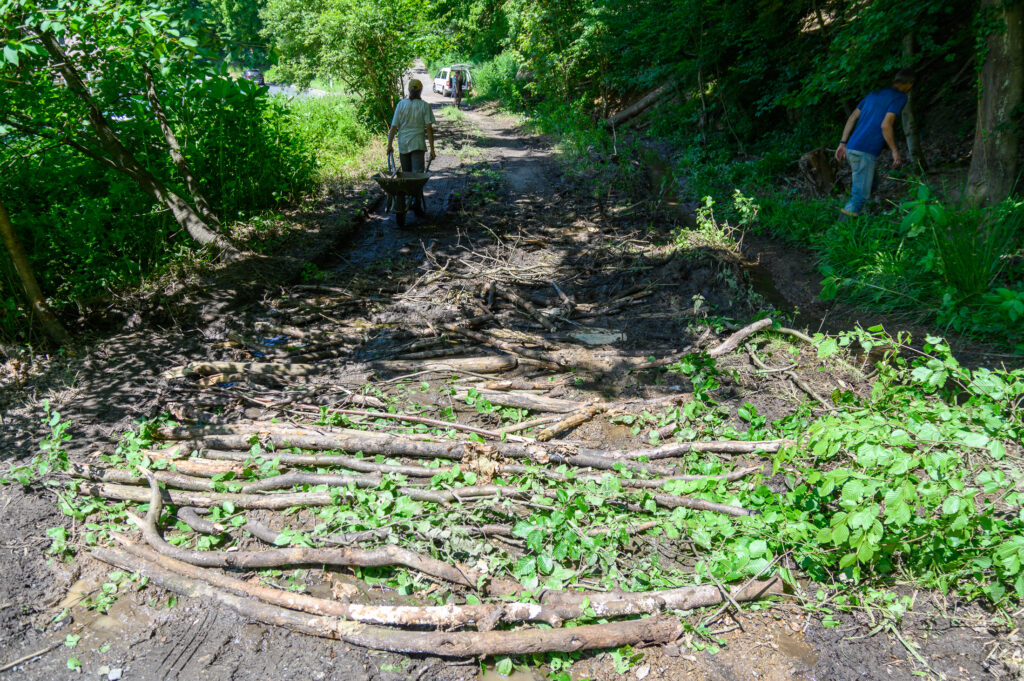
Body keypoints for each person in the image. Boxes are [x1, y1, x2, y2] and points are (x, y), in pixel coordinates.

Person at [834, 69, 915, 219]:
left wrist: (843, 143)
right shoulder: (899, 97)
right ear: (908, 84)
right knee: (859, 196)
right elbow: (886, 125)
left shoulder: (873, 94)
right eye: (911, 85)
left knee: (872, 184)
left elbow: (852, 117)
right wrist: (895, 151)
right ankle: (841, 232)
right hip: (864, 151)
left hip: (852, 148)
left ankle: (865, 215)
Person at [386, 79, 436, 215]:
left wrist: (389, 145)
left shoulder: (401, 105)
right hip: (418, 144)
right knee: (417, 176)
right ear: (420, 91)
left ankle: (407, 201)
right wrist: (432, 149)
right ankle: (416, 204)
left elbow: (393, 127)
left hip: (403, 145)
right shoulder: (425, 106)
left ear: (409, 90)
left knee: (406, 176)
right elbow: (429, 129)